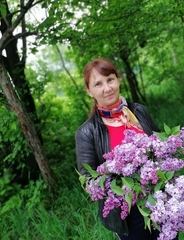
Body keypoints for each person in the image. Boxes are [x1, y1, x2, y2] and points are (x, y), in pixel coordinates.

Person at [75, 58, 178, 240]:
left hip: (162, 199)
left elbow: (161, 145)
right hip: (128, 214)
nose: (107, 88)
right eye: (98, 84)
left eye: (110, 79)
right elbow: (88, 181)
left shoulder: (138, 111)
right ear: (88, 91)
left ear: (118, 79)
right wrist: (116, 175)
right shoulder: (86, 132)